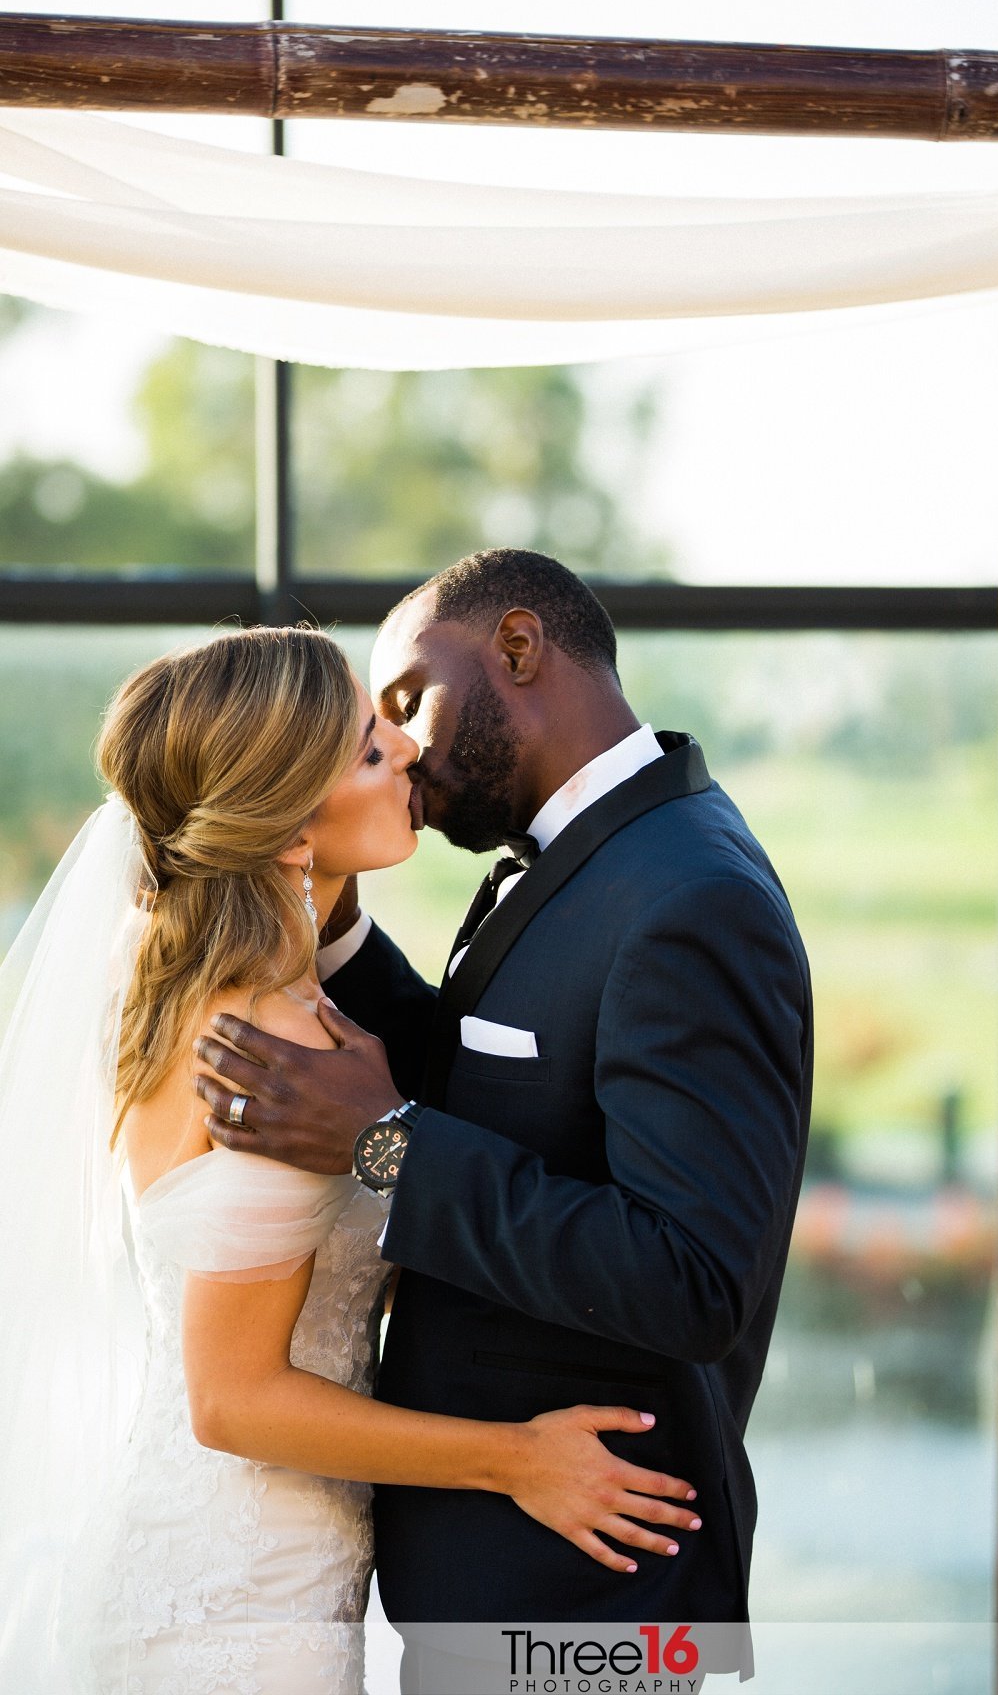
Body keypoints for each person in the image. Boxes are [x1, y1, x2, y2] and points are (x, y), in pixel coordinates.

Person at [0, 625, 702, 1695]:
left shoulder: (253, 1000)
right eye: (373, 749)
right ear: (286, 831)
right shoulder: (264, 1051)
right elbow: (230, 1400)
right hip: (229, 1605)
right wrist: (516, 1460)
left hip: (285, 1571)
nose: (411, 752)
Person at [197, 551, 814, 1694]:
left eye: (406, 700)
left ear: (519, 650)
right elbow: (511, 1094)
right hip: (498, 1584)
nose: (405, 748)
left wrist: (386, 1147)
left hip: (592, 1598)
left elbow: (693, 1278)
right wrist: (328, 939)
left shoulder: (693, 897)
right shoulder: (590, 855)